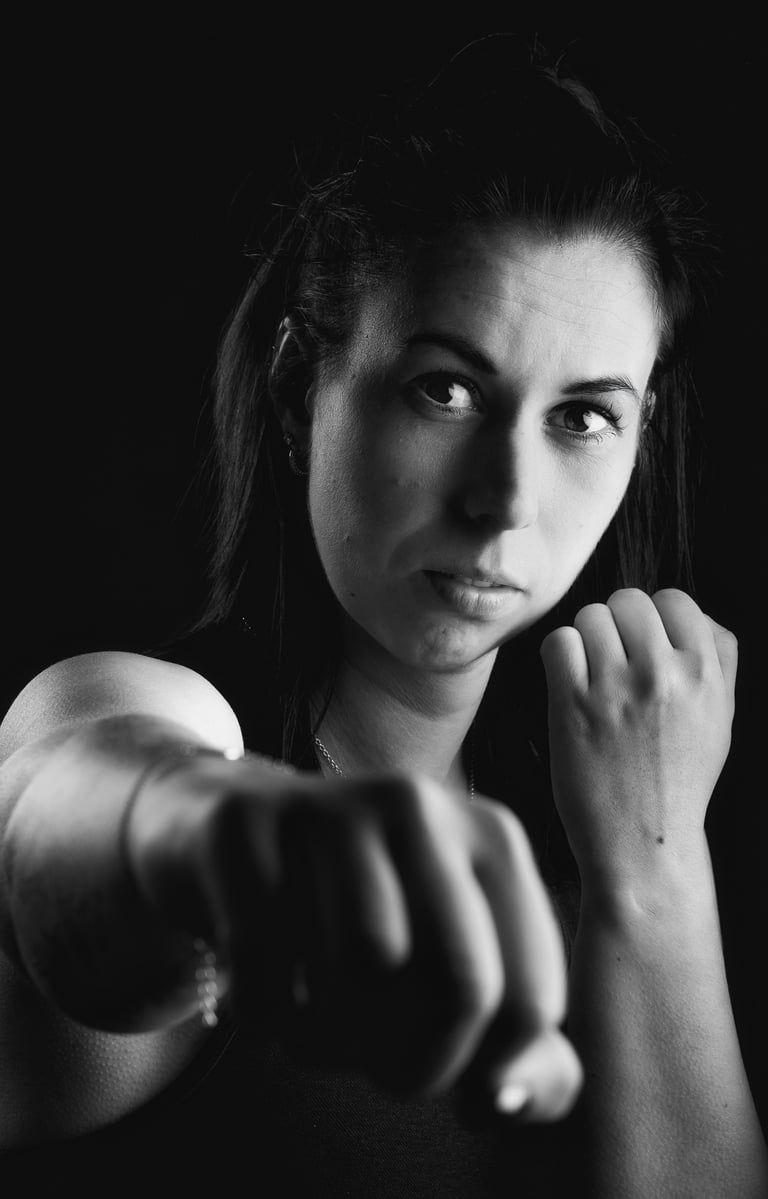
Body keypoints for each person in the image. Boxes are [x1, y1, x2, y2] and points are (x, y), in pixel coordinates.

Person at [1, 34, 765, 1197]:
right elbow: (68, 794)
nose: (504, 501)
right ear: (304, 386)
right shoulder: (173, 714)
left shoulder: (605, 807)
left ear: (642, 431)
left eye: (584, 416)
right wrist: (225, 844)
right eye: (444, 389)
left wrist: (652, 867)